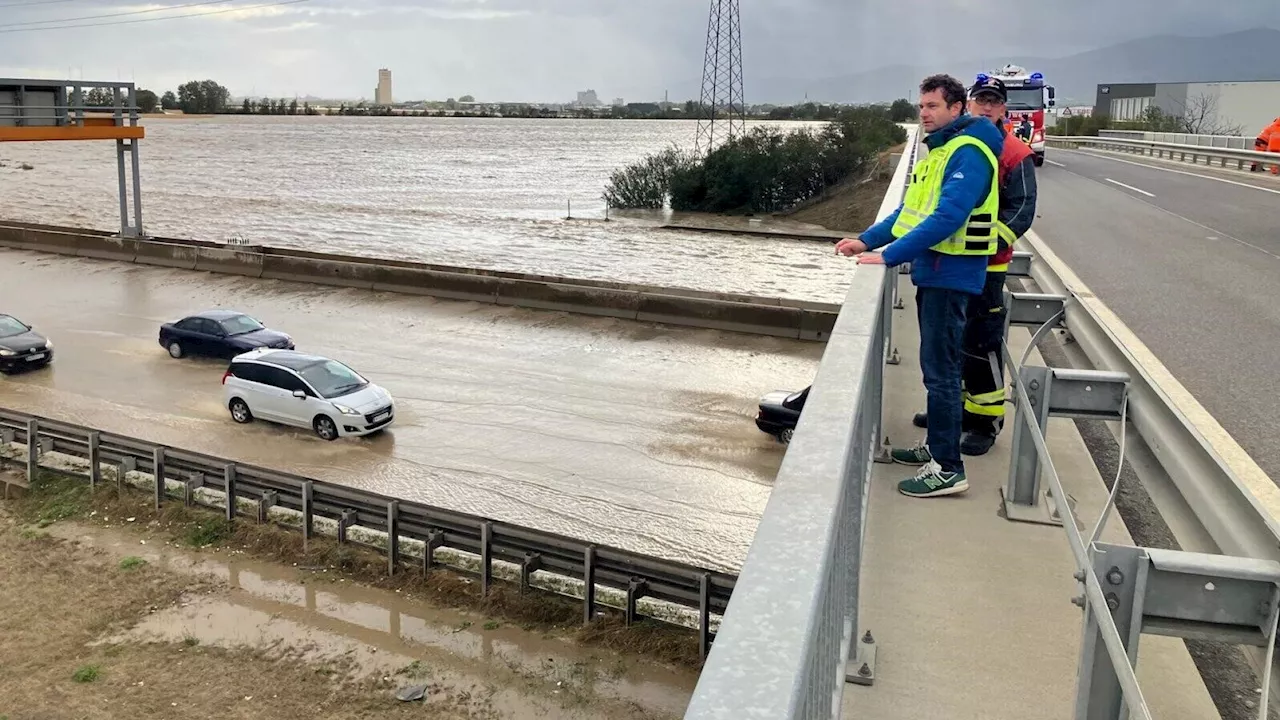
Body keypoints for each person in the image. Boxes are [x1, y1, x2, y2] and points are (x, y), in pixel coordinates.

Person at [835, 74, 1003, 499]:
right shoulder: (942, 151)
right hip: (935, 271)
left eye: (933, 107)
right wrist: (866, 240)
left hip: (952, 276)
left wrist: (890, 256)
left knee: (942, 374)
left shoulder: (970, 153)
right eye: (921, 107)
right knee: (935, 371)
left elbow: (948, 218)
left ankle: (948, 468)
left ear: (957, 108)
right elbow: (911, 213)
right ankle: (935, 448)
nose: (925, 114)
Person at [910, 75, 1038, 457]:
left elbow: (1022, 210)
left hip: (988, 265)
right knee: (953, 342)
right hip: (949, 262)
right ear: (969, 104)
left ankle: (984, 420)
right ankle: (953, 412)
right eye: (979, 100)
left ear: (1003, 108)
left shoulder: (1013, 153)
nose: (986, 106)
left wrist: (986, 244)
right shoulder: (956, 145)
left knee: (981, 343)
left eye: (993, 102)